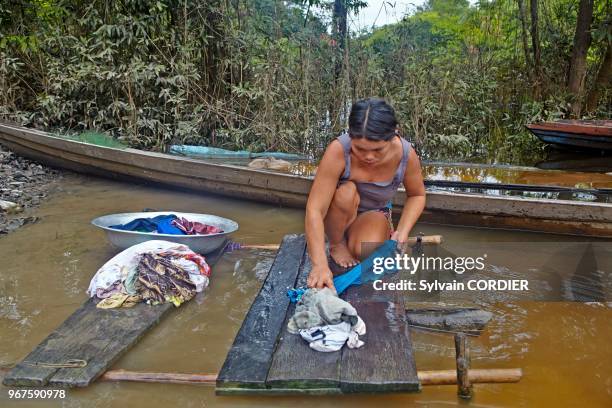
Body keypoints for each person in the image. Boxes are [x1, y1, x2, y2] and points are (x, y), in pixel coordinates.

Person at [305, 97, 426, 290]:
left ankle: (354, 242)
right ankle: (337, 244)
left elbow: (417, 195)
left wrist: (402, 233)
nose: (369, 157)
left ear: (394, 134)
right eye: (360, 148)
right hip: (337, 217)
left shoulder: (405, 154)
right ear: (351, 136)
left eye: (378, 150)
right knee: (347, 192)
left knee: (367, 251)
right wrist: (320, 265)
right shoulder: (338, 150)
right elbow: (315, 209)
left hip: (373, 214)